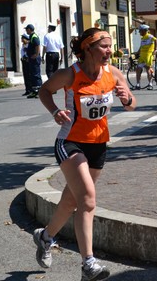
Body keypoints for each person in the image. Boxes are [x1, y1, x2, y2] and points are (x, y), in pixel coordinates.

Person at [33, 28, 136, 281]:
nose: (110, 51)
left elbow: (132, 104)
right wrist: (55, 111)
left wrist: (127, 98)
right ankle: (88, 264)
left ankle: (45, 237)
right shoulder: (70, 74)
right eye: (104, 46)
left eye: (111, 46)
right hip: (70, 143)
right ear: (88, 48)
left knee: (71, 201)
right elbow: (44, 91)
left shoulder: (113, 73)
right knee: (88, 199)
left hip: (98, 144)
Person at [134, 24, 157, 90]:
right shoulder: (142, 38)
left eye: (140, 31)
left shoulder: (149, 36)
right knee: (138, 69)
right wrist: (137, 52)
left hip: (148, 55)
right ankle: (138, 84)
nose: (139, 32)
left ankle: (150, 84)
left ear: (144, 31)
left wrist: (156, 49)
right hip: (142, 56)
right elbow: (141, 47)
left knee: (148, 69)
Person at [25, 24, 42, 98]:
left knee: (36, 74)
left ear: (29, 29)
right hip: (32, 58)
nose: (26, 30)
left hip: (35, 58)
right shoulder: (31, 37)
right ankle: (34, 91)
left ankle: (39, 91)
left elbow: (37, 45)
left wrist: (36, 54)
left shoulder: (34, 36)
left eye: (26, 29)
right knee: (33, 74)